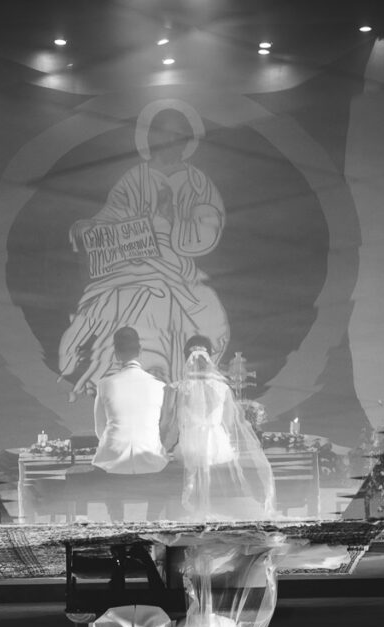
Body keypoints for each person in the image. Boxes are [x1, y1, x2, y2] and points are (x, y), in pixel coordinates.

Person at [59, 103, 229, 397]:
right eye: (164, 135)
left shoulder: (197, 182)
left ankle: (187, 383)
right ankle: (127, 377)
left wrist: (174, 220)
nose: (170, 143)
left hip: (178, 265)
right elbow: (111, 216)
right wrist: (90, 225)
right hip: (137, 262)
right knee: (125, 304)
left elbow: (207, 230)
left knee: (210, 314)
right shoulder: (135, 178)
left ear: (186, 141)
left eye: (177, 136)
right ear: (152, 140)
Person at [169, 335, 274, 520]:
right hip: (216, 445)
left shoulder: (179, 388)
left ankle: (192, 511)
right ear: (210, 359)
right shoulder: (222, 388)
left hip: (190, 444)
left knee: (187, 479)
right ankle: (211, 512)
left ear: (187, 359)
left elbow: (174, 423)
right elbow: (229, 422)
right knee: (216, 484)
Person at [92, 327, 169, 475]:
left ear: (116, 354)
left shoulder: (104, 384)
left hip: (112, 461)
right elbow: (163, 425)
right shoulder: (159, 385)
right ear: (140, 351)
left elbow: (100, 428)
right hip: (152, 460)